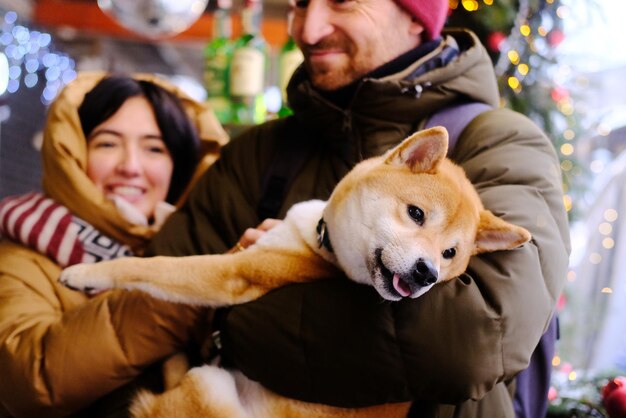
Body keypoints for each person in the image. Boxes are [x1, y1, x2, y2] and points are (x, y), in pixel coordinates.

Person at [148, 0, 571, 417]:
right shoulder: (258, 153)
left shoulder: (501, 145)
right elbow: (151, 318)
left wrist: (234, 305)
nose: (309, 30)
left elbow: (471, 341)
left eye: (343, 3)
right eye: (299, 4)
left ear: (413, 16)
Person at [0, 72, 228, 418]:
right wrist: (183, 294)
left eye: (154, 148)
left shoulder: (199, 243)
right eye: (107, 143)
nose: (130, 167)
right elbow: (27, 378)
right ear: (73, 154)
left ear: (179, 165)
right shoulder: (20, 254)